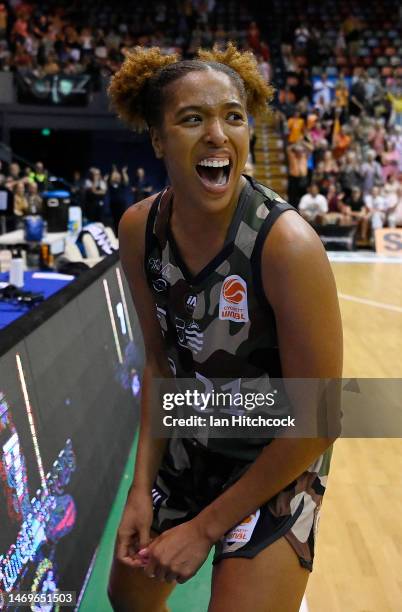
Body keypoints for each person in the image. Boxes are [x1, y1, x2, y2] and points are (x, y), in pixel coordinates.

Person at [107, 43, 342, 612]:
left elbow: (320, 417)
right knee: (129, 598)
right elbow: (160, 365)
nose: (218, 133)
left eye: (233, 116)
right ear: (159, 139)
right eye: (193, 118)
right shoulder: (140, 228)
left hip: (279, 452)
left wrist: (204, 529)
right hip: (193, 436)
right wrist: (140, 491)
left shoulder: (286, 245)